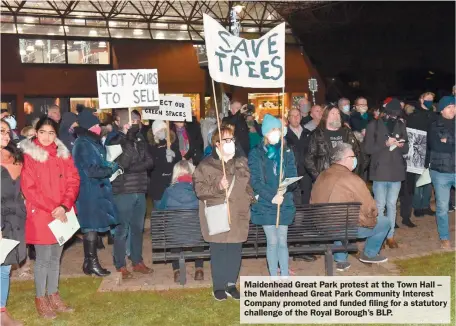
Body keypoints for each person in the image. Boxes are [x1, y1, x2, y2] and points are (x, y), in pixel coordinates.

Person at [20, 116, 80, 319]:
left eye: (51, 133)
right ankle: (40, 299)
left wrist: (64, 205)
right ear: (36, 133)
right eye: (42, 132)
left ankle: (53, 295)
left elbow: (73, 179)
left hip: (62, 213)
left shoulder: (63, 153)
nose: (46, 137)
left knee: (56, 257)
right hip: (42, 214)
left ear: (56, 135)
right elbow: (29, 188)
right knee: (43, 259)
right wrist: (54, 208)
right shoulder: (29, 155)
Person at [193, 125, 253, 301]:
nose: (230, 143)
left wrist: (250, 197)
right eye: (226, 140)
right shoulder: (205, 165)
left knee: (235, 250)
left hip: (238, 213)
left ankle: (231, 284)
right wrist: (218, 187)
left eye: (232, 139)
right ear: (217, 144)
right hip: (217, 212)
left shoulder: (240, 162)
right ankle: (218, 286)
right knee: (219, 251)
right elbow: (200, 190)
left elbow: (246, 185)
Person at [311, 143, 389, 271]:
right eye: (353, 156)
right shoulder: (352, 179)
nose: (355, 159)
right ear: (345, 159)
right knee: (385, 222)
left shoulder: (322, 175)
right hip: (341, 228)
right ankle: (370, 254)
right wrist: (371, 221)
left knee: (339, 217)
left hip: (321, 225)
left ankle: (341, 260)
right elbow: (369, 207)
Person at [249, 114, 298, 278]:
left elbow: (292, 175)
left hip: (284, 203)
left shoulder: (287, 152)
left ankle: (284, 277)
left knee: (282, 241)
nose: (276, 134)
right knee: (273, 241)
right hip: (265, 204)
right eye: (272, 131)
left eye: (278, 130)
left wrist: (284, 190)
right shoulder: (256, 153)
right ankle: (273, 277)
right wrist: (271, 197)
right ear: (265, 133)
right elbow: (255, 181)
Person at [72, 106, 119, 277]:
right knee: (90, 227)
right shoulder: (83, 144)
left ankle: (89, 263)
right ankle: (91, 262)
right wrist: (110, 169)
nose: (99, 128)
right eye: (95, 125)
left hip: (94, 191)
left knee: (92, 228)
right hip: (88, 193)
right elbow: (90, 170)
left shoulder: (90, 142)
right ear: (88, 127)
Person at [107, 116, 154, 279]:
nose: (133, 124)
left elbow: (150, 162)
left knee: (137, 229)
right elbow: (122, 163)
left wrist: (133, 168)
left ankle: (137, 260)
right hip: (123, 191)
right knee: (122, 230)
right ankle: (120, 264)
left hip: (140, 189)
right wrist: (128, 139)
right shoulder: (114, 139)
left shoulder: (140, 138)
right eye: (130, 121)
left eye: (136, 121)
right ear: (119, 122)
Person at [364, 98, 409, 248]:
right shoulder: (373, 125)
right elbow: (368, 149)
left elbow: (406, 149)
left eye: (397, 114)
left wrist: (401, 145)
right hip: (380, 171)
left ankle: (390, 236)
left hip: (396, 170)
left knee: (392, 204)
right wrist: (385, 144)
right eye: (393, 113)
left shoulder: (401, 124)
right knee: (380, 204)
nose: (395, 116)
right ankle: (379, 236)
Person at [158, 160, 204, 282]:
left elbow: (160, 211)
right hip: (195, 236)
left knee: (174, 230)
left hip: (175, 237)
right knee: (197, 230)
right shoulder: (198, 191)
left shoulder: (168, 191)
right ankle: (199, 269)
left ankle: (177, 271)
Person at [1, 119, 26, 325]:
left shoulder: (14, 158)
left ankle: (1, 312)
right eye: (1, 131)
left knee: (5, 267)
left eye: (7, 132)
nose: (6, 135)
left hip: (14, 218)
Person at [400, 92, 437, 220]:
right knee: (417, 180)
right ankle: (417, 206)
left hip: (431, 151)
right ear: (421, 100)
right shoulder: (415, 116)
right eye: (427, 99)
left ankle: (426, 205)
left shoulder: (433, 115)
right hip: (418, 152)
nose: (430, 101)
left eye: (432, 99)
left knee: (428, 180)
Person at [304, 105, 362, 181]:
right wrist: (319, 178)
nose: (336, 116)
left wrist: (354, 174)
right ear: (326, 116)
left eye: (338, 113)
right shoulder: (317, 135)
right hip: (327, 178)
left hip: (347, 177)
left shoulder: (347, 132)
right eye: (333, 113)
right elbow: (308, 159)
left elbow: (357, 153)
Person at [428, 96, 455, 249]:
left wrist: (447, 140)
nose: (453, 110)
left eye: (454, 107)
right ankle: (444, 237)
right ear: (442, 109)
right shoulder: (434, 125)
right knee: (442, 207)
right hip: (440, 172)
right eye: (449, 107)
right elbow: (436, 146)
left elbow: (444, 144)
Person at [147, 120, 182, 208]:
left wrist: (174, 154)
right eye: (159, 131)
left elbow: (179, 160)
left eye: (164, 130)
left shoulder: (172, 143)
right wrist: (162, 155)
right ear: (155, 133)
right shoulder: (151, 146)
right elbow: (150, 164)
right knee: (160, 210)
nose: (162, 132)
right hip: (158, 184)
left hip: (171, 182)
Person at [286, 108, 313, 206]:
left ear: (301, 117)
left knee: (306, 202)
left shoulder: (308, 133)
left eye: (297, 115)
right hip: (291, 173)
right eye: (292, 116)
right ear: (288, 118)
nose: (295, 118)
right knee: (293, 202)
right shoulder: (284, 135)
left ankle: (306, 221)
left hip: (306, 173)